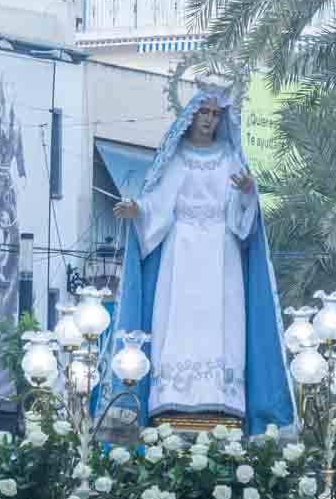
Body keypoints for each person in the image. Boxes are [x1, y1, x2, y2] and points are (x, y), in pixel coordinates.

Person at [108, 88, 295, 431]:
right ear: (191, 115)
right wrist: (138, 209)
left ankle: (222, 400)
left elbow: (244, 222)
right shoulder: (176, 158)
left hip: (222, 257)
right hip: (180, 257)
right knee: (176, 321)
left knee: (223, 325)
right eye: (204, 112)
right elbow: (157, 206)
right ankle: (173, 401)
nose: (210, 119)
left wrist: (248, 194)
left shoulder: (229, 158)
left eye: (216, 113)